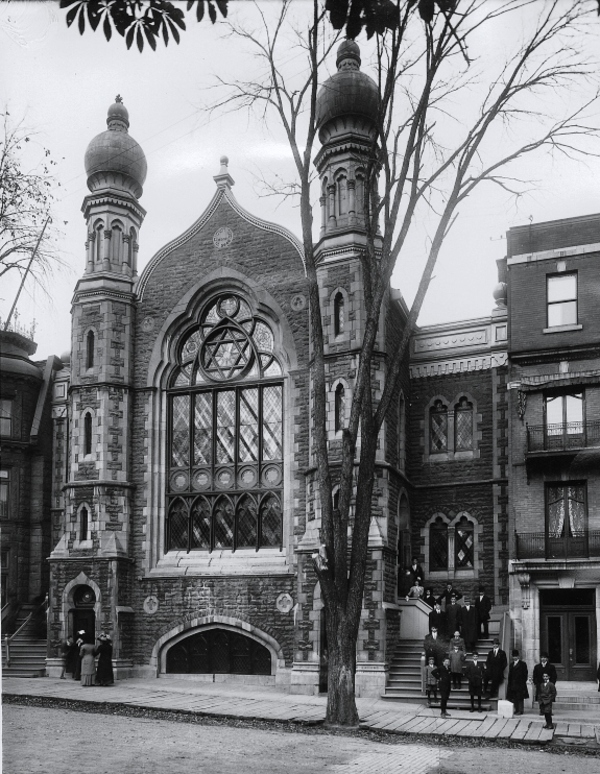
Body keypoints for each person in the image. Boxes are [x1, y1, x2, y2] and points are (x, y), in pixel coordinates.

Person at [506, 649, 528, 715]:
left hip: (520, 684)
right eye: (513, 656)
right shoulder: (511, 664)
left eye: (516, 656)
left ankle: (521, 710)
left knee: (520, 697)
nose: (514, 657)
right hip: (513, 684)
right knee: (514, 697)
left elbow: (525, 674)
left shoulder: (523, 664)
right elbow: (510, 675)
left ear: (518, 656)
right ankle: (516, 709)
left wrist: (522, 682)